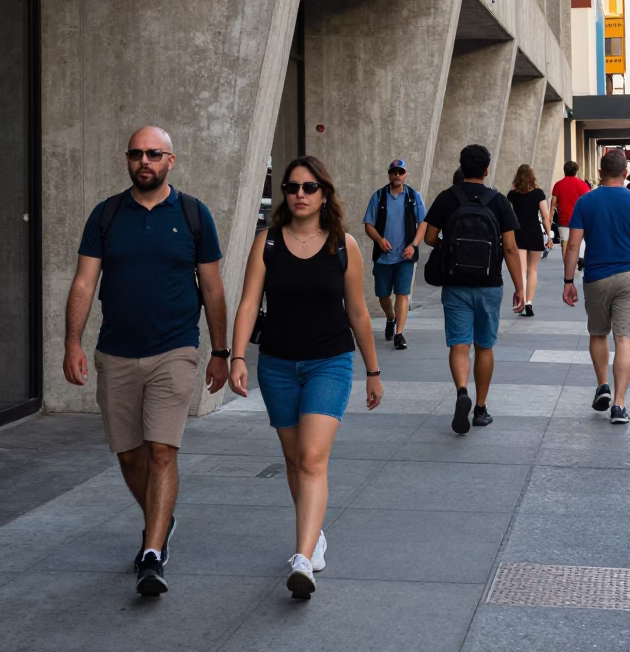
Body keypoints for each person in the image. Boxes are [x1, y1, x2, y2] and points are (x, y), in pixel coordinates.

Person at [63, 126, 228, 597]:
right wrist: (72, 343)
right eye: (136, 154)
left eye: (153, 154)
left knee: (161, 450)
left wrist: (219, 352)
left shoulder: (194, 214)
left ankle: (152, 553)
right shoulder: (106, 215)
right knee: (130, 454)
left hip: (175, 350)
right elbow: (82, 283)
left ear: (170, 160)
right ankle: (162, 515)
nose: (144, 161)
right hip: (115, 352)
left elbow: (212, 288)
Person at [229, 156, 382, 600]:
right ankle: (313, 537)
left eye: (309, 187)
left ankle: (301, 559)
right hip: (277, 364)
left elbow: (358, 312)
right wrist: (237, 356)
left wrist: (373, 370)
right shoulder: (268, 244)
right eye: (292, 187)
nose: (299, 194)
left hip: (329, 363)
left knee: (313, 458)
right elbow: (247, 304)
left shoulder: (343, 246)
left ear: (324, 194)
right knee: (295, 460)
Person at [424, 143, 524, 433]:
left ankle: (461, 393)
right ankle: (480, 409)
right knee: (484, 346)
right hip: (490, 284)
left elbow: (430, 237)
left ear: (461, 166)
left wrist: (450, 248)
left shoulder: (447, 197)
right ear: (486, 169)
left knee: (459, 344)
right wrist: (520, 287)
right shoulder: (499, 201)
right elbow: (510, 247)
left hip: (455, 284)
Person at [562, 148, 630, 424]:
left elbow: (572, 245)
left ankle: (603, 384)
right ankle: (619, 404)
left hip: (596, 276)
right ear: (625, 173)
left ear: (600, 172)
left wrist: (569, 280)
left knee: (597, 333)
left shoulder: (586, 202)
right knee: (624, 339)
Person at [363, 159, 427, 350]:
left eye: (400, 172)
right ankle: (390, 318)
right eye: (394, 172)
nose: (397, 175)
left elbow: (422, 223)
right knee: (383, 295)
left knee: (402, 293)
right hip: (383, 257)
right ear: (389, 174)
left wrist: (414, 245)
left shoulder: (414, 197)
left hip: (405, 257)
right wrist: (379, 240)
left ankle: (399, 333)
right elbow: (368, 224)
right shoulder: (379, 196)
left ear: (406, 174)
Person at [507, 164, 552, 317]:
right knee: (532, 270)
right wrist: (549, 237)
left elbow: (508, 216)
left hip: (518, 233)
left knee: (522, 270)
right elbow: (546, 217)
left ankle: (522, 298)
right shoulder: (539, 194)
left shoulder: (512, 195)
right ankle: (529, 303)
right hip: (534, 233)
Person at [550, 161, 590, 259]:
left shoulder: (558, 184)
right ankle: (576, 264)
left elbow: (553, 204)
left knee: (564, 243)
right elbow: (588, 203)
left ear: (564, 171)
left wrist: (550, 220)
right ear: (576, 171)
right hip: (580, 220)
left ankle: (566, 268)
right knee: (576, 244)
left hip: (563, 219)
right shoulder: (583, 185)